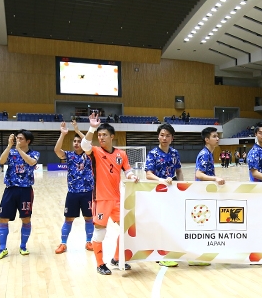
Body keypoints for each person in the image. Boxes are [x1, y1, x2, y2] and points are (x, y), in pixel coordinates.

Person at [81, 113, 139, 275]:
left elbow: (127, 170)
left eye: (104, 135)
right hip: (100, 199)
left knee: (127, 229)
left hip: (117, 199)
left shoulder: (121, 154)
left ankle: (116, 258)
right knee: (100, 232)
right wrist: (92, 127)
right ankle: (100, 264)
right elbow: (85, 145)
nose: (101, 138)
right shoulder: (95, 151)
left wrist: (132, 176)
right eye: (99, 135)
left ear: (112, 136)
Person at [0, 130, 40, 260]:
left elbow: (31, 162)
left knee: (26, 218)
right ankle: (2, 248)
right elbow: (1, 161)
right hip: (10, 189)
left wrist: (19, 150)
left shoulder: (34, 153)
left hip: (25, 190)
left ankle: (23, 246)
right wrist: (9, 146)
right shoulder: (11, 151)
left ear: (28, 141)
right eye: (17, 138)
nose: (18, 140)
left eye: (20, 138)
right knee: (3, 218)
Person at [145, 123, 186, 268]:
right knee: (159, 223)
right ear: (158, 136)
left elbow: (179, 170)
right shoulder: (153, 154)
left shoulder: (175, 153)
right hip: (157, 193)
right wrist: (161, 180)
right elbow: (148, 174)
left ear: (172, 138)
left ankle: (168, 250)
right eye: (162, 135)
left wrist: (181, 186)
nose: (164, 138)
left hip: (172, 193)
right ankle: (159, 254)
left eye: (168, 136)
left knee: (171, 222)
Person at [53, 120, 95, 254]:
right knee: (68, 219)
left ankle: (89, 242)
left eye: (78, 141)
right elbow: (56, 150)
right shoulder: (69, 156)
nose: (76, 143)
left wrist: (77, 131)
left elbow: (88, 143)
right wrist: (63, 134)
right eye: (74, 141)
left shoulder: (89, 156)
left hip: (88, 192)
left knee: (89, 218)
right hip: (72, 193)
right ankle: (63, 243)